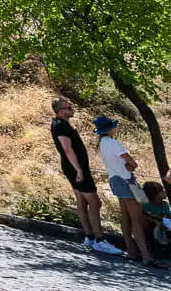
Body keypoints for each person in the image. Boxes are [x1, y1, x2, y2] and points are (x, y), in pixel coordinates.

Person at [50, 97, 120, 254]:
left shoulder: (62, 124)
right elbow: (67, 149)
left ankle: (89, 237)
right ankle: (100, 240)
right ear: (60, 111)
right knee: (95, 202)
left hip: (74, 167)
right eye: (68, 107)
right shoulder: (60, 126)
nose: (71, 109)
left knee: (82, 201)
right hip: (76, 168)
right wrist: (79, 170)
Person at [97, 116, 159, 267]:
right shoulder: (113, 143)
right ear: (110, 129)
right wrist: (133, 166)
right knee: (137, 219)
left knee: (125, 217)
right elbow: (131, 162)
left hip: (115, 180)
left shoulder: (101, 143)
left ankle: (132, 250)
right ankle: (146, 255)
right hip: (126, 181)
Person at [141, 181, 171, 256]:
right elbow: (143, 215)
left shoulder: (164, 204)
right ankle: (149, 246)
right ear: (154, 194)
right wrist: (155, 221)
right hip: (151, 223)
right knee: (146, 225)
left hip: (162, 222)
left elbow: (169, 217)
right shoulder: (145, 205)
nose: (164, 192)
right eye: (162, 191)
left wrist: (159, 219)